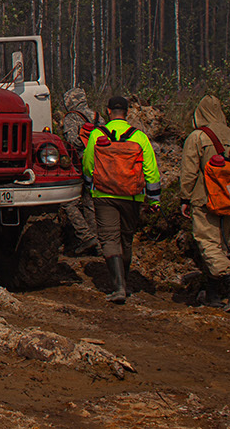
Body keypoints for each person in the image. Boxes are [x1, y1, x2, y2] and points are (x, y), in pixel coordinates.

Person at [83, 95, 161, 303]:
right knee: (126, 239)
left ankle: (118, 287)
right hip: (132, 196)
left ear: (108, 111)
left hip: (104, 195)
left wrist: (91, 186)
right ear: (127, 112)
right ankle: (124, 282)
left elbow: (88, 165)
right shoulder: (139, 137)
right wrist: (154, 200)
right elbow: (151, 171)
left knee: (109, 239)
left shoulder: (97, 134)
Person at [179, 95, 230, 312]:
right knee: (220, 246)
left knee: (207, 244)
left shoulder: (198, 136)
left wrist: (185, 197)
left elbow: (189, 171)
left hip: (205, 199)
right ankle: (213, 295)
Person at [60, 88, 101, 256]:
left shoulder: (72, 117)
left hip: (81, 165)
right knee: (91, 202)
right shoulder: (98, 116)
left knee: (67, 202)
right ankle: (97, 244)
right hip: (100, 165)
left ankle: (85, 236)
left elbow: (72, 141)